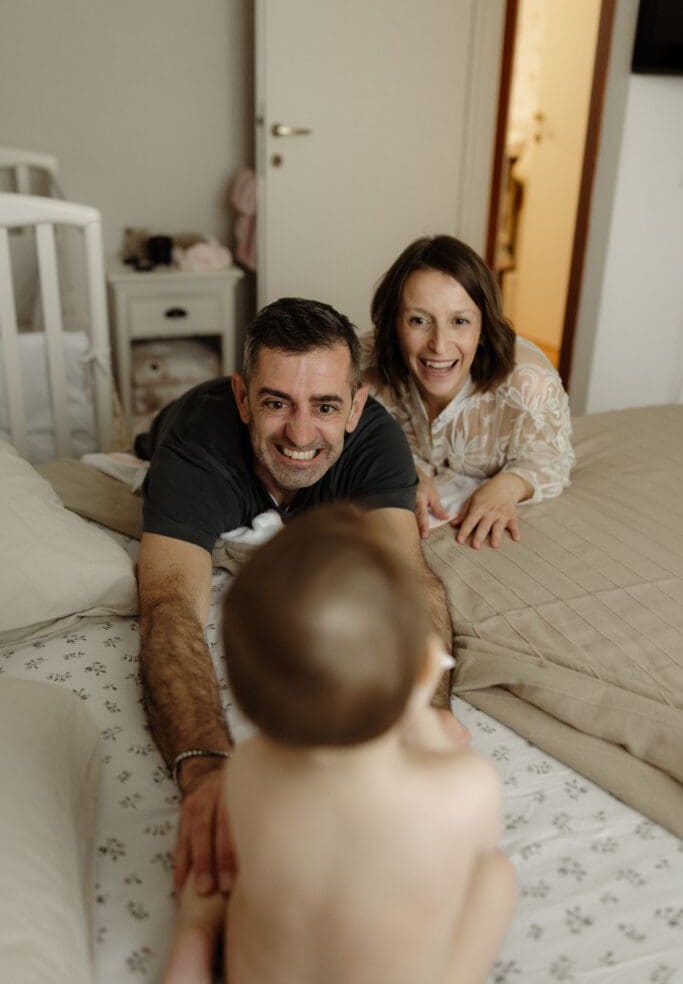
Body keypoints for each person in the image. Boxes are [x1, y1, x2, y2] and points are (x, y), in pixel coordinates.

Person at [134, 297, 460, 908]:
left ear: (356, 407)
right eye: (276, 403)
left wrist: (428, 717)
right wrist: (206, 769)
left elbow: (412, 581)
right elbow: (169, 608)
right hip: (170, 429)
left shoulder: (376, 443)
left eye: (326, 407)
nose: (301, 434)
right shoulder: (197, 448)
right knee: (147, 439)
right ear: (242, 398)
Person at [162, 504, 516, 984]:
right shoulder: (464, 790)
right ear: (421, 673)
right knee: (494, 877)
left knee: (221, 880)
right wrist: (423, 717)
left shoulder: (247, 770)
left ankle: (196, 936)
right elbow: (476, 842)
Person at [363, 235, 575, 548]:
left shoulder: (530, 384)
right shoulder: (362, 370)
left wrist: (508, 486)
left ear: (484, 328)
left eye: (460, 321)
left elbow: (553, 460)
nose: (439, 345)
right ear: (394, 325)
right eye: (418, 320)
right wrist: (407, 472)